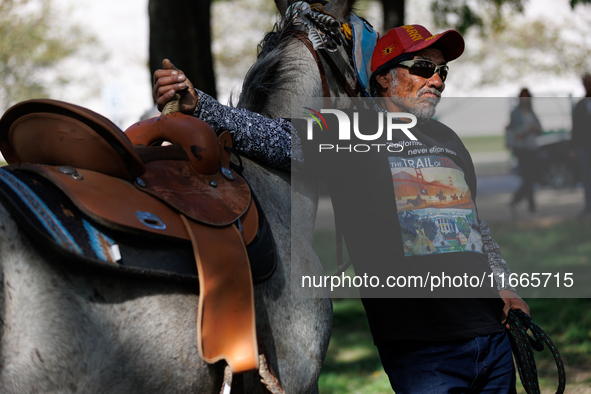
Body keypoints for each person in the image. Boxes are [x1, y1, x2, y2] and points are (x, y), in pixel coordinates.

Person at [154, 24, 529, 393]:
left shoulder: (448, 139)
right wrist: (200, 105)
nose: (438, 80)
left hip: (492, 335)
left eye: (442, 71)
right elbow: (272, 136)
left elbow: (474, 225)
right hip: (424, 350)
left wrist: (506, 287)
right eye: (422, 68)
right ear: (384, 77)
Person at [506, 88, 542, 214]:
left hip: (532, 147)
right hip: (522, 149)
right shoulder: (516, 112)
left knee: (531, 177)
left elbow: (540, 128)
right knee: (529, 177)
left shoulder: (532, 111)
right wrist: (528, 129)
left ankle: (521, 203)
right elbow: (515, 131)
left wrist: (535, 128)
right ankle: (525, 205)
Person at [572, 74, 591, 214]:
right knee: (586, 178)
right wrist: (573, 147)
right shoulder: (580, 105)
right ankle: (588, 206)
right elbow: (576, 127)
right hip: (584, 147)